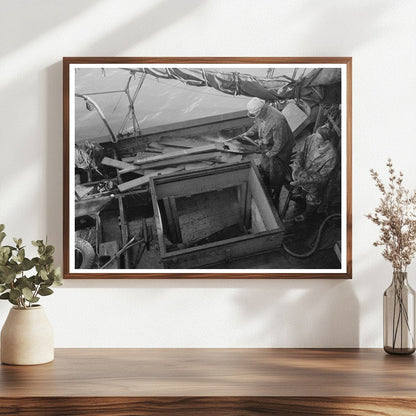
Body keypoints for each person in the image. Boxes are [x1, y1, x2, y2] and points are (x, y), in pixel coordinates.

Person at [240, 98, 294, 205]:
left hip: (281, 151)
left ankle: (275, 192)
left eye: (256, 114)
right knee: (266, 165)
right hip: (269, 145)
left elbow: (280, 144)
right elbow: (257, 125)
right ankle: (268, 174)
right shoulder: (261, 115)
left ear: (262, 109)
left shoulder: (278, 121)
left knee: (277, 171)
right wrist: (248, 133)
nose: (256, 117)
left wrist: (270, 153)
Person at [290, 124, 337, 221]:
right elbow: (301, 153)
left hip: (315, 181)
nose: (315, 140)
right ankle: (301, 193)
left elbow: (321, 177)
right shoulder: (311, 138)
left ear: (327, 142)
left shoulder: (332, 155)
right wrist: (297, 166)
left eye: (318, 139)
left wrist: (303, 180)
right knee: (299, 188)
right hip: (303, 172)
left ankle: (307, 214)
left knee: (313, 197)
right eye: (316, 136)